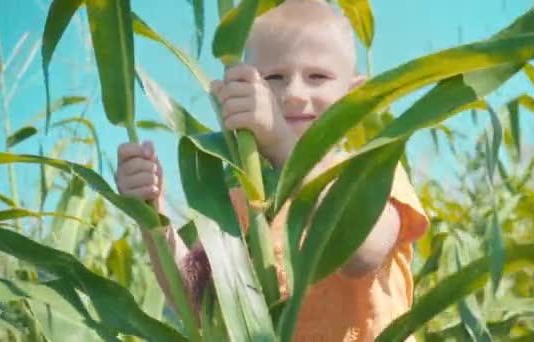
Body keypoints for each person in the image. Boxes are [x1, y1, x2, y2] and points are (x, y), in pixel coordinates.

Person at [116, 0, 429, 340]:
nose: (294, 94)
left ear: (353, 95)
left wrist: (282, 145)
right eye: (274, 77)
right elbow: (197, 305)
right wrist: (152, 213)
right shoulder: (243, 198)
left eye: (317, 77)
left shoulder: (371, 171)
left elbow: (362, 252)